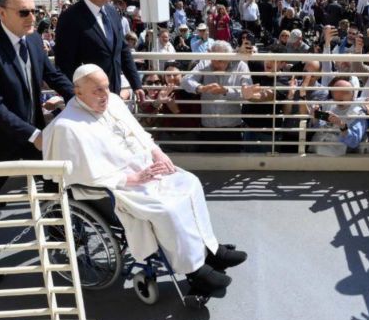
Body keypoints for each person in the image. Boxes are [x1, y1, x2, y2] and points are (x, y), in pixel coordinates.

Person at [43, 65, 246, 298]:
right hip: (116, 188)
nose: (105, 94)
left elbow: (140, 134)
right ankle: (194, 270)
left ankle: (211, 249)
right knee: (168, 209)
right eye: (97, 90)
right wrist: (131, 178)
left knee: (190, 183)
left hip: (145, 169)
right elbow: (81, 175)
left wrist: (156, 152)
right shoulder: (67, 126)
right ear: (78, 93)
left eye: (107, 87)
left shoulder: (115, 102)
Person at [0, 0, 75, 242]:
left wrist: (78, 97)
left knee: (53, 181)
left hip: (30, 131)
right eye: (24, 12)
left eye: (34, 11)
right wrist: (33, 134)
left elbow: (52, 74)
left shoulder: (34, 38)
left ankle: (58, 234)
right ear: (2, 13)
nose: (32, 17)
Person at [54, 0, 141, 93]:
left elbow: (123, 50)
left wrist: (136, 85)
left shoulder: (112, 12)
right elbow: (65, 64)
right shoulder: (70, 18)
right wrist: (75, 97)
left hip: (114, 94)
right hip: (88, 98)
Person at [180, 41, 252, 151]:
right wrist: (200, 88)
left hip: (232, 129)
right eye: (213, 59)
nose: (215, 64)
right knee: (208, 163)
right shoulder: (205, 63)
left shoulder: (241, 65)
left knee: (233, 164)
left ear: (229, 57)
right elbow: (185, 81)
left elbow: (248, 92)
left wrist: (226, 91)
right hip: (208, 128)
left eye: (220, 61)